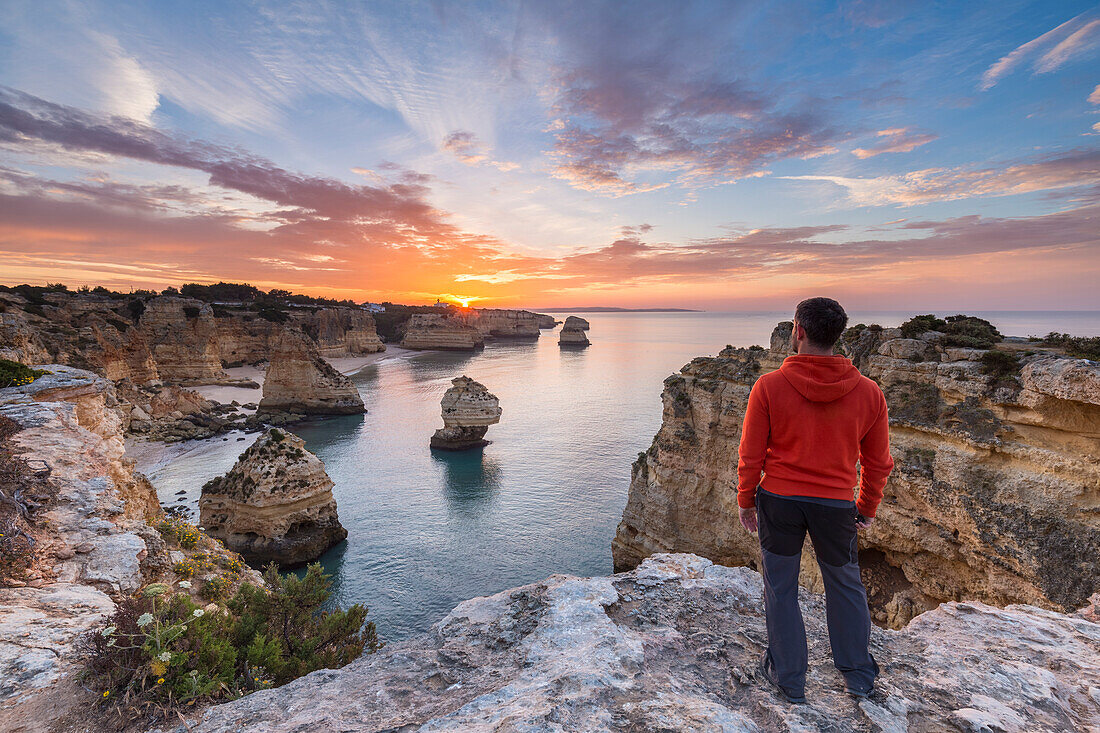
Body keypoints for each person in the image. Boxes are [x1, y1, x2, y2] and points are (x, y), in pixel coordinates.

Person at [736, 297, 894, 704]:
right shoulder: (869, 393)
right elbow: (878, 464)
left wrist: (746, 500)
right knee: (844, 585)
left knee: (781, 588)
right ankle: (858, 676)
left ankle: (789, 680)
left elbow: (751, 454)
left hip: (780, 501)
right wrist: (867, 507)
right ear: (837, 335)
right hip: (836, 505)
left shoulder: (768, 387)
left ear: (799, 331)